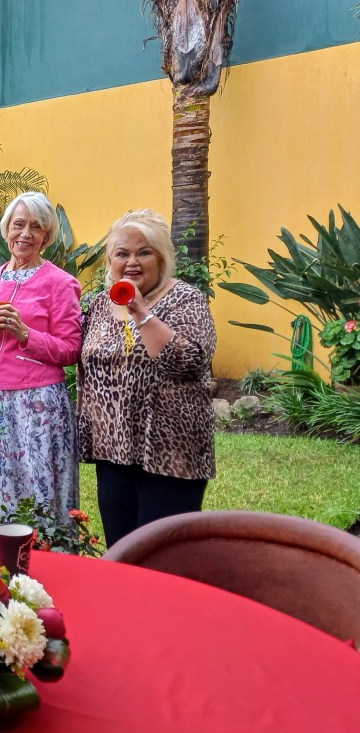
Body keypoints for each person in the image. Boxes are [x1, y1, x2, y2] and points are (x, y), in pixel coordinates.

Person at [79, 209, 216, 546]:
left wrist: (141, 312)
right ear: (110, 261)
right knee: (122, 550)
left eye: (144, 252)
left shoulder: (186, 299)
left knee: (163, 554)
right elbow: (86, 368)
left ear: (162, 258)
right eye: (122, 253)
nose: (132, 262)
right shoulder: (99, 305)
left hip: (170, 452)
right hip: (113, 451)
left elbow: (190, 361)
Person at [0, 192, 82, 519]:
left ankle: (50, 548)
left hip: (39, 403)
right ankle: (2, 549)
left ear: (46, 235)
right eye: (19, 224)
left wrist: (26, 335)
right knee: (1, 488)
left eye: (36, 227)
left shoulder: (60, 283)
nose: (25, 234)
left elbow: (71, 349)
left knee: (41, 489)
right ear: (7, 229)